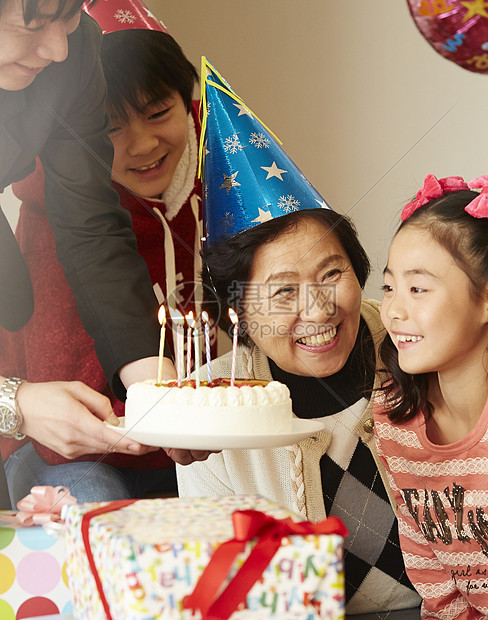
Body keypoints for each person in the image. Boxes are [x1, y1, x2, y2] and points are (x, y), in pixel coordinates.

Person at [176, 59, 422, 615]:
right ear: (236, 307)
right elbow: (227, 586)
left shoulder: (419, 336)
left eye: (333, 274)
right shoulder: (206, 406)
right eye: (283, 293)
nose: (318, 310)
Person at [0, 0, 214, 504]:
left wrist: (153, 385)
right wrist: (18, 403)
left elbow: (90, 229)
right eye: (30, 23)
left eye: (70, 17)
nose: (56, 48)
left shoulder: (72, 59)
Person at [372, 174, 488, 619]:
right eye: (389, 287)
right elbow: (429, 571)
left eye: (418, 288)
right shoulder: (394, 419)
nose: (394, 309)